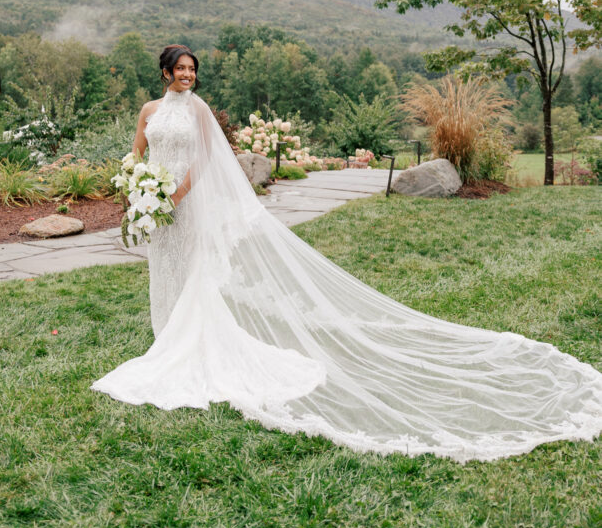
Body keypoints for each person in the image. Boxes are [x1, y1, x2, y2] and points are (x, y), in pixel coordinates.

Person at [92, 45, 602, 463]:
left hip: (186, 202)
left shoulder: (199, 111)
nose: (187, 76)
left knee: (197, 273)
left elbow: (206, 157)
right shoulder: (150, 111)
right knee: (166, 269)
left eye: (192, 70)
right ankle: (168, 340)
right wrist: (137, 186)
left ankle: (192, 345)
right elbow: (138, 149)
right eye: (180, 69)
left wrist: (175, 194)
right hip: (152, 205)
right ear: (164, 72)